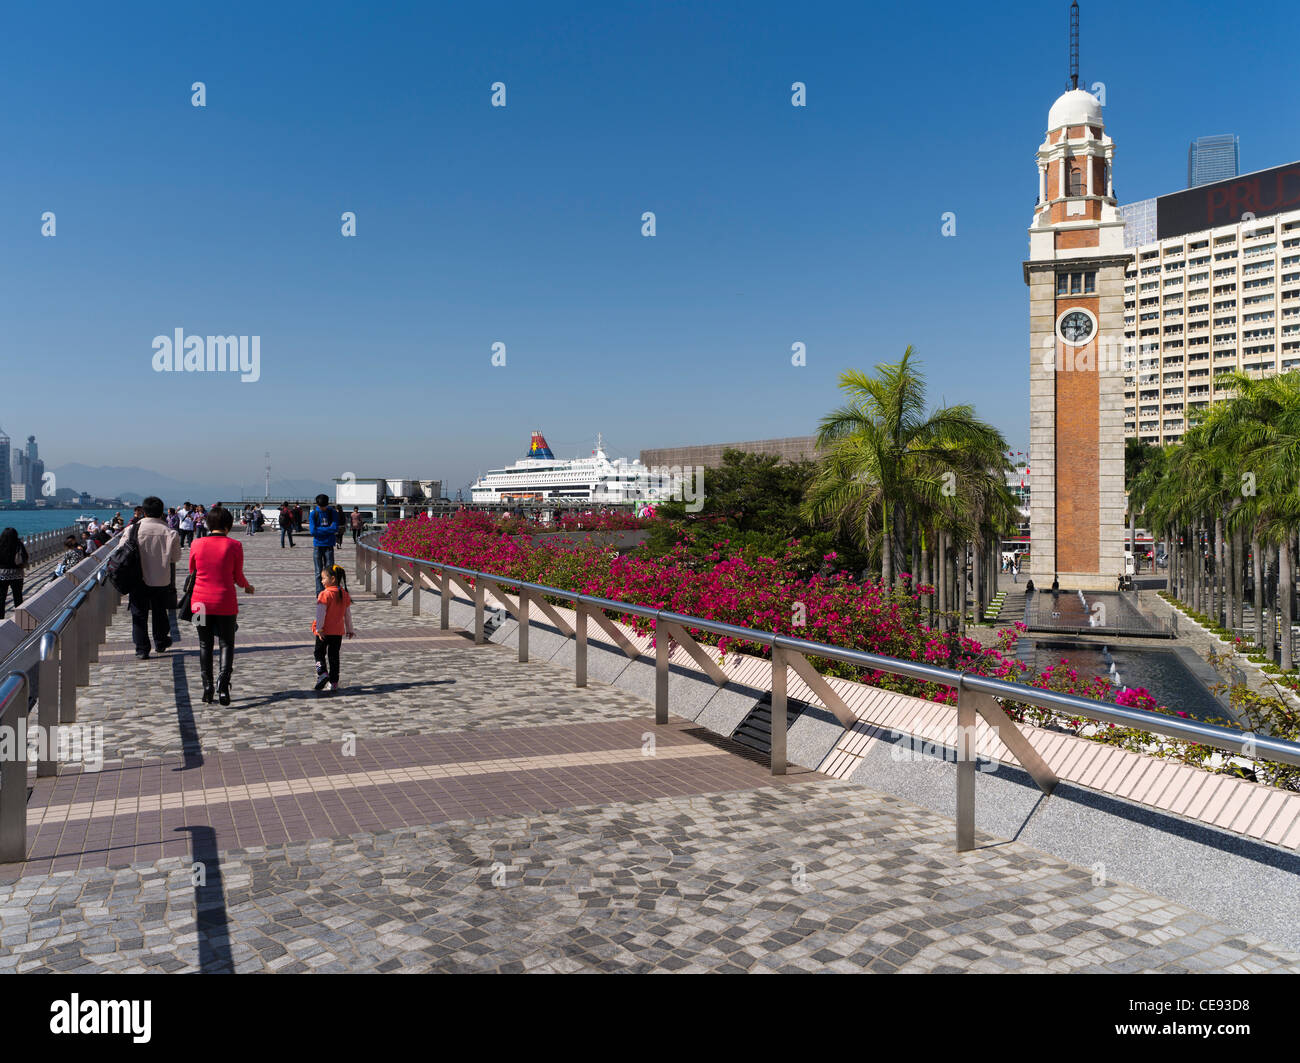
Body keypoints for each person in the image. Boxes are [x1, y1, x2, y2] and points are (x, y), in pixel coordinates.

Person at [188, 506, 254, 705]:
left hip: (199, 603)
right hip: (225, 601)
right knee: (226, 643)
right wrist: (247, 587)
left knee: (204, 644)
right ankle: (223, 686)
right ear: (228, 525)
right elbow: (237, 576)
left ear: (208, 524)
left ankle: (207, 686)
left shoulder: (196, 544)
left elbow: (193, 570)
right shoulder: (234, 545)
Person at [127, 496, 181, 659]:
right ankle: (160, 641)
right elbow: (175, 558)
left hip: (137, 578)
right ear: (161, 512)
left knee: (138, 614)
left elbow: (122, 551)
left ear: (143, 512)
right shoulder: (170, 532)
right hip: (161, 579)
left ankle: (142, 649)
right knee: (159, 611)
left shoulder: (132, 530)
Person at [312, 563, 355, 693]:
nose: (322, 581)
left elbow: (320, 614)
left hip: (324, 632)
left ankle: (322, 672)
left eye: (324, 578)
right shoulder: (344, 594)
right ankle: (334, 682)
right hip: (337, 633)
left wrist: (319, 628)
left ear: (333, 579)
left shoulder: (324, 594)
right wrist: (350, 629)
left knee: (318, 653)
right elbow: (347, 614)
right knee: (334, 656)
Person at [309, 494, 339, 593]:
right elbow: (313, 531)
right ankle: (319, 594)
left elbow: (335, 528)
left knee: (330, 571)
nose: (322, 508)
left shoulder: (333, 513)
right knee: (318, 572)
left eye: (324, 506)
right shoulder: (314, 514)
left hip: (329, 545)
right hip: (318, 545)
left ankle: (330, 592)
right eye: (321, 506)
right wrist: (328, 530)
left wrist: (320, 530)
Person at [0, 528, 30, 620]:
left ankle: (1, 619)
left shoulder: (0, 544)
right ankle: (20, 619)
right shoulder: (18, 544)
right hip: (17, 574)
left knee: (1, 598)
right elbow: (25, 557)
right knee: (18, 596)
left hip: (2, 574)